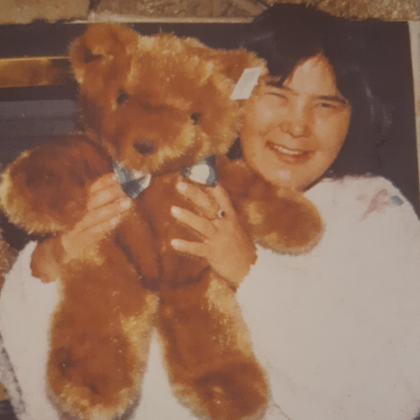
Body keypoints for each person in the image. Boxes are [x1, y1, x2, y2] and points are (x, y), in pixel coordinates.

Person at [1, 3, 420, 420]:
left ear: (353, 115)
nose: (298, 126)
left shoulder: (375, 215)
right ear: (235, 96)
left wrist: (250, 271)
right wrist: (53, 258)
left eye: (327, 105)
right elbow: (34, 380)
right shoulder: (159, 181)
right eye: (276, 95)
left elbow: (396, 396)